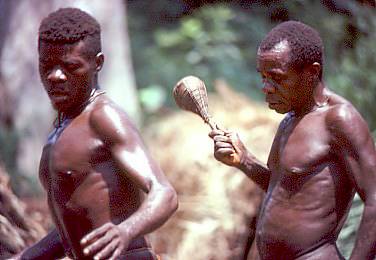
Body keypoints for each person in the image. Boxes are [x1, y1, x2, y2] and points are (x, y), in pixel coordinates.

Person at [13, 7, 178, 260]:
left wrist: (125, 232)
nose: (55, 76)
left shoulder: (103, 117)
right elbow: (74, 232)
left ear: (97, 63)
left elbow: (165, 194)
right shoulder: (63, 126)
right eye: (47, 65)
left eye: (70, 67)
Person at [209, 21, 376, 259]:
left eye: (277, 78)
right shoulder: (290, 119)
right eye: (263, 77)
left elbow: (375, 198)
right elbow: (286, 189)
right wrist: (244, 160)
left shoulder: (338, 118)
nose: (266, 87)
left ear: (312, 72)